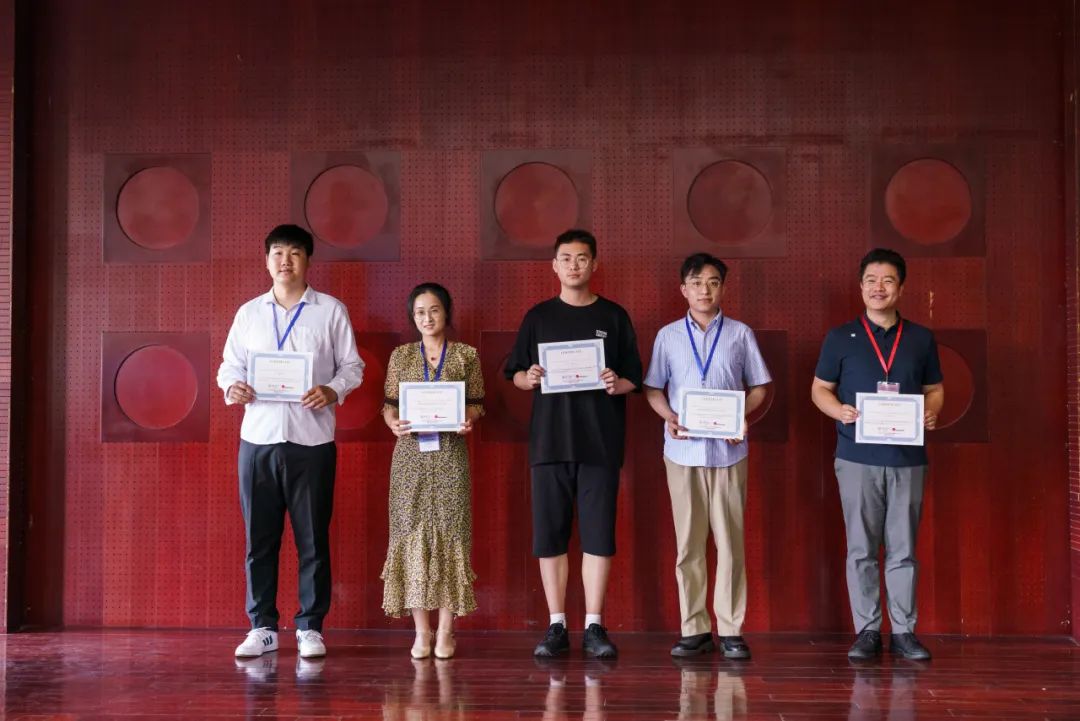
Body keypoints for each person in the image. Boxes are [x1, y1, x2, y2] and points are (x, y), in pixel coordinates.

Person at [218, 224, 364, 659]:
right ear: (267, 261)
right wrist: (232, 386)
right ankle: (261, 626)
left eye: (295, 253)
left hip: (311, 441)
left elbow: (352, 366)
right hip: (258, 439)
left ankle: (310, 627)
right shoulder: (249, 313)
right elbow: (228, 365)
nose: (286, 261)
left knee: (313, 539)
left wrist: (333, 390)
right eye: (278, 253)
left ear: (308, 261)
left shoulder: (330, 311)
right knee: (259, 540)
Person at [504, 229, 643, 659]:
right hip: (549, 444)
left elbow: (635, 377)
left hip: (600, 443)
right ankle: (557, 624)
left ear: (594, 264)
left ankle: (595, 625)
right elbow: (514, 373)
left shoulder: (614, 316)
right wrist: (527, 378)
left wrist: (616, 382)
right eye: (566, 258)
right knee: (550, 537)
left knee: (599, 535)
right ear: (554, 265)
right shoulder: (538, 317)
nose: (574, 265)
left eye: (582, 258)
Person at [811, 248, 944, 661]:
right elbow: (819, 389)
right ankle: (867, 631)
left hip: (907, 459)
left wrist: (932, 411)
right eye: (871, 280)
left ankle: (904, 632)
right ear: (860, 287)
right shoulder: (840, 337)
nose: (878, 288)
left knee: (903, 549)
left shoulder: (920, 338)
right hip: (856, 458)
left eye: (887, 280)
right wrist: (839, 411)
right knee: (861, 548)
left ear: (901, 288)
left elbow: (935, 389)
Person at [643, 253, 771, 659]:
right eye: (697, 283)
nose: (705, 290)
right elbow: (653, 388)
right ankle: (694, 628)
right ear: (683, 289)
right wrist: (668, 417)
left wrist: (742, 416)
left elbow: (760, 386)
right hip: (682, 452)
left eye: (713, 282)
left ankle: (731, 629)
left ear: (723, 288)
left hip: (729, 453)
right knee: (688, 545)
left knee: (731, 544)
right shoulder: (667, 336)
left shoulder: (739, 334)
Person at [381, 283, 484, 659]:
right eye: (420, 312)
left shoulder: (466, 355)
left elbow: (477, 402)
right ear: (413, 317)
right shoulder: (401, 355)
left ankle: (445, 631)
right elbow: (388, 404)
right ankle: (421, 632)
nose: (427, 318)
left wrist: (468, 417)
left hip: (450, 457)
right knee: (411, 538)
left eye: (434, 310)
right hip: (409, 460)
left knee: (450, 537)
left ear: (446, 312)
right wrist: (392, 422)